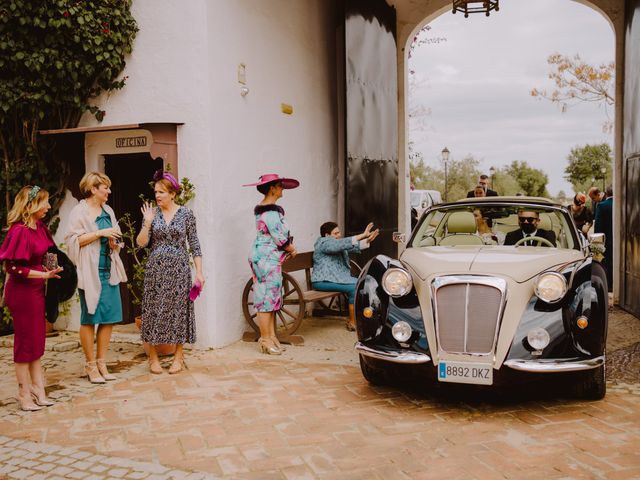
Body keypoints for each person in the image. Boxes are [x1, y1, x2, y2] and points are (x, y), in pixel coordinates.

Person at [0, 186, 63, 411]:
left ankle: (38, 389)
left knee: (37, 342)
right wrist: (44, 274)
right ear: (30, 205)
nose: (48, 207)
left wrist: (53, 269)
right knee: (25, 344)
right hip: (21, 293)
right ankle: (23, 393)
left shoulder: (40, 227)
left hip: (37, 291)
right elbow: (13, 267)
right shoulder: (18, 231)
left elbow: (48, 253)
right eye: (44, 202)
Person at [137, 170, 204, 374]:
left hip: (179, 270)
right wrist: (147, 223)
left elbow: (194, 244)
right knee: (153, 309)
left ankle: (179, 356)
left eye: (162, 192)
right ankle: (153, 357)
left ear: (173, 194)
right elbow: (141, 243)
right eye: (156, 192)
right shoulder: (152, 214)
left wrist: (199, 272)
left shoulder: (186, 214)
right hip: (155, 270)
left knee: (179, 310)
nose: (157, 196)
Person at [65, 172, 127, 384]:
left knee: (109, 318)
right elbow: (73, 241)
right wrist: (100, 234)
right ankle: (90, 365)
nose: (109, 191)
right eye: (105, 188)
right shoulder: (79, 212)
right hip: (89, 273)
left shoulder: (108, 210)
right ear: (93, 189)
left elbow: (116, 237)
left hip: (108, 271)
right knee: (90, 317)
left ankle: (102, 362)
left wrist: (114, 243)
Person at [244, 173, 299, 355]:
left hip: (263, 255)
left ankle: (271, 336)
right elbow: (279, 236)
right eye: (280, 186)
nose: (282, 188)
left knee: (269, 295)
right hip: (267, 257)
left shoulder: (263, 209)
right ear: (272, 188)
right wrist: (291, 248)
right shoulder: (271, 211)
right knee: (266, 297)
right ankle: (265, 339)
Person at [312, 222, 379, 331]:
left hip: (334, 279)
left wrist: (368, 240)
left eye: (339, 232)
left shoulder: (335, 244)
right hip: (322, 281)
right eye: (335, 233)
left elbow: (350, 246)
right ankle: (352, 322)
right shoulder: (323, 243)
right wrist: (362, 235)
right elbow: (342, 244)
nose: (339, 235)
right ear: (327, 235)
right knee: (354, 288)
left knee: (363, 283)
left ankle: (364, 317)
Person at [594, 185, 613, 291]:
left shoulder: (602, 206)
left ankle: (609, 286)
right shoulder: (624, 204)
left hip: (608, 243)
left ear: (607, 193)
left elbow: (598, 228)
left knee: (607, 265)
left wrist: (597, 246)